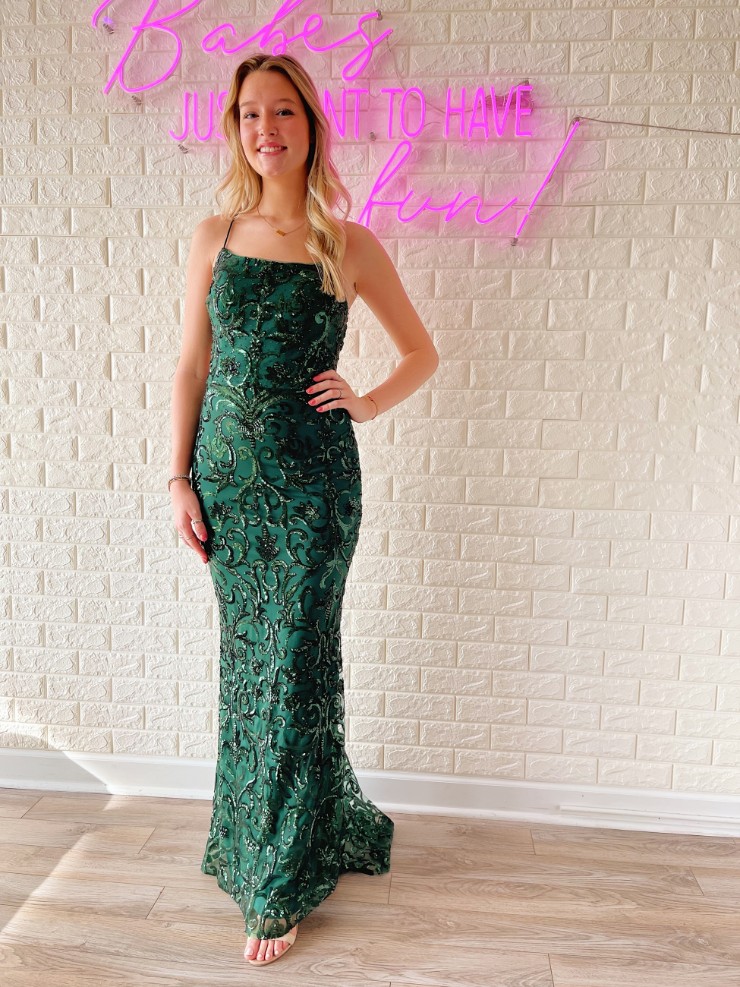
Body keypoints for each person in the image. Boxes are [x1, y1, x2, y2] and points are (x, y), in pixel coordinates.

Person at [168, 52, 439, 967]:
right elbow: (193, 366)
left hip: (316, 492)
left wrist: (366, 400)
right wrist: (178, 477)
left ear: (311, 125)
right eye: (250, 113)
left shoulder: (347, 243)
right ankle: (253, 837)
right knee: (252, 670)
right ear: (235, 128)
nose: (266, 129)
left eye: (283, 111)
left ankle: (278, 881)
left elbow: (421, 353)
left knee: (293, 666)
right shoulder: (213, 235)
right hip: (230, 493)